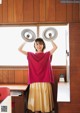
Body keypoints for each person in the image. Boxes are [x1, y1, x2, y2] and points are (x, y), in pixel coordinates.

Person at [18, 37, 57, 113]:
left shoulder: (47, 54)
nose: (39, 46)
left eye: (41, 44)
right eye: (37, 44)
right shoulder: (30, 55)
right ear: (35, 46)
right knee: (35, 104)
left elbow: (55, 47)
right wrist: (25, 41)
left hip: (45, 80)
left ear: (43, 45)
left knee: (45, 106)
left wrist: (51, 39)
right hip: (34, 80)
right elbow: (19, 49)